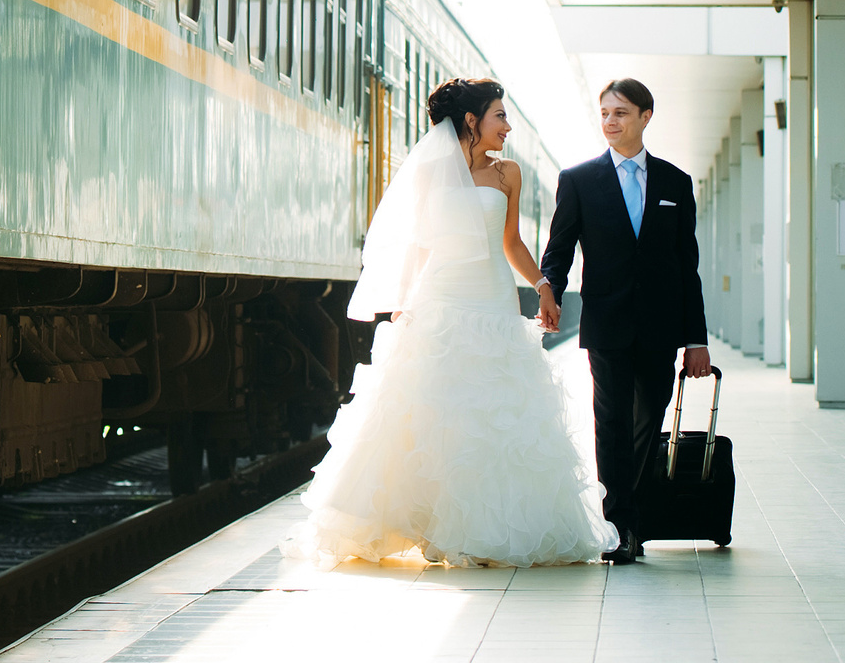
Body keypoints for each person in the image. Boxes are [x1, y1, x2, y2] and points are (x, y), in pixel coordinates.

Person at [289, 78, 607, 567]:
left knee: (495, 412)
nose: (507, 126)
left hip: (494, 298)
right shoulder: (429, 172)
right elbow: (416, 244)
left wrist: (543, 286)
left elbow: (512, 243)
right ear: (472, 121)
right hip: (440, 296)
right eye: (500, 115)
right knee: (435, 412)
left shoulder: (508, 175)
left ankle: (487, 530)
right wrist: (404, 305)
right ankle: (428, 523)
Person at [540, 79, 712, 566]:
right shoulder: (578, 179)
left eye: (621, 113)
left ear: (645, 116)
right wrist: (547, 286)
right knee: (611, 422)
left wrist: (695, 339)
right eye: (605, 113)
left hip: (661, 326)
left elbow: (686, 264)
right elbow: (560, 247)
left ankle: (627, 509)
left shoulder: (676, 182)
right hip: (607, 322)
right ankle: (621, 526)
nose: (611, 121)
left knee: (650, 413)